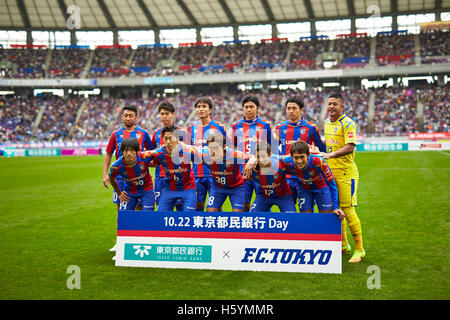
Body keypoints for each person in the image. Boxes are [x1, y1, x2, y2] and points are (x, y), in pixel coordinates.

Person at [319, 92, 365, 263]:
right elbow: (330, 144)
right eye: (329, 103)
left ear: (342, 106)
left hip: (346, 173)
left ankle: (360, 250)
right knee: (336, 208)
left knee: (348, 210)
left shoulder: (348, 123)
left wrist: (331, 156)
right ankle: (343, 245)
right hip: (331, 173)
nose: (331, 107)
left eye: (335, 104)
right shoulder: (326, 123)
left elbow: (350, 147)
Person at [274, 95, 326, 208]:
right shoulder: (279, 128)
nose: (291, 111)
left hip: (306, 176)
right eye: (288, 108)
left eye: (294, 108)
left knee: (306, 209)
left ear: (301, 110)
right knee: (288, 209)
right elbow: (274, 152)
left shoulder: (311, 128)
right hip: (286, 176)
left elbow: (322, 150)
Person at [182, 132, 254, 212]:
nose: (213, 151)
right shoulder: (204, 154)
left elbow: (253, 157)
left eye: (216, 148)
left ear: (224, 147)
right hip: (217, 187)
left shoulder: (234, 155)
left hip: (236, 188)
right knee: (210, 211)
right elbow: (187, 148)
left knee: (238, 213)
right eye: (210, 148)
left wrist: (251, 162)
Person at [103, 104, 154, 211]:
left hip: (140, 178)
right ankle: (122, 227)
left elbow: (152, 153)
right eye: (125, 115)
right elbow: (108, 153)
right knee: (121, 206)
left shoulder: (143, 133)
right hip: (121, 178)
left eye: (131, 116)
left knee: (139, 207)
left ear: (136, 117)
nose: (128, 118)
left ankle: (139, 228)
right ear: (121, 117)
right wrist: (105, 174)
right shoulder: (115, 134)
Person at [278, 141, 344, 221]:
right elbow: (272, 159)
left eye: (302, 157)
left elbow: (332, 185)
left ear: (308, 155)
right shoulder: (286, 160)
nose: (299, 161)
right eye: (296, 157)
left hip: (321, 188)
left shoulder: (319, 162)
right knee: (306, 219)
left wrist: (335, 207)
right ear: (291, 156)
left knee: (325, 219)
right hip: (304, 189)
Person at [231, 94, 273, 211]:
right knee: (244, 204)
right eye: (246, 107)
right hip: (242, 171)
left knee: (264, 204)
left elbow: (271, 148)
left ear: (258, 108)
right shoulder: (236, 125)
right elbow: (233, 148)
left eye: (251, 106)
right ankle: (246, 228)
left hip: (261, 171)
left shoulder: (265, 125)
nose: (248, 109)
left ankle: (265, 229)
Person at [141, 125, 197, 212]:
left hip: (188, 188)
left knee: (188, 216)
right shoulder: (159, 153)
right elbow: (141, 157)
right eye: (165, 138)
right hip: (169, 189)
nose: (168, 142)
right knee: (161, 216)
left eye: (171, 138)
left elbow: (205, 158)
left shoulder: (188, 151)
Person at [186, 97, 228, 211]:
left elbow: (226, 149)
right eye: (198, 107)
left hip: (214, 174)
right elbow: (187, 150)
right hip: (196, 174)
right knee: (198, 206)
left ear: (210, 110)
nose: (201, 109)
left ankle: (218, 228)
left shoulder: (219, 127)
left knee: (215, 207)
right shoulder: (191, 128)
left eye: (204, 106)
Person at [151, 102, 186, 210]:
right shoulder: (156, 134)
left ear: (173, 114)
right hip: (160, 177)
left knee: (181, 209)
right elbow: (152, 155)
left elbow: (189, 155)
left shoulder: (182, 132)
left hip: (179, 177)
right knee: (162, 210)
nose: (164, 116)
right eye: (162, 114)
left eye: (167, 113)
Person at [248, 142, 297, 213]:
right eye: (258, 157)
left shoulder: (281, 164)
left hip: (283, 196)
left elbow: (298, 157)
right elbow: (240, 155)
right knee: (253, 217)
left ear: (270, 155)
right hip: (263, 196)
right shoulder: (251, 167)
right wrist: (250, 161)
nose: (261, 160)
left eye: (263, 156)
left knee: (291, 218)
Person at [108, 138, 155, 211]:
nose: (129, 153)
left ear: (137, 151)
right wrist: (119, 193)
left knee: (148, 215)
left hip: (147, 189)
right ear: (122, 152)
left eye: (132, 150)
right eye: (126, 151)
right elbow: (111, 177)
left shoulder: (145, 156)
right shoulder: (116, 166)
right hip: (130, 190)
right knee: (125, 216)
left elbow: (159, 152)